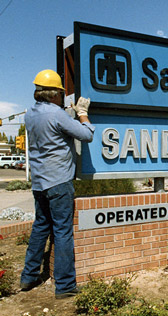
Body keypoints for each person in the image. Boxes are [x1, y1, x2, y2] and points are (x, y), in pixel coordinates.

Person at [20, 69, 95, 299]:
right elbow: (86, 134)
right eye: (61, 93)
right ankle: (65, 286)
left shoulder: (30, 114)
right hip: (59, 182)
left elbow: (54, 123)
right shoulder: (56, 114)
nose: (63, 96)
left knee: (40, 227)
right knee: (63, 232)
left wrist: (67, 113)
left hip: (40, 182)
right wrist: (82, 114)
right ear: (53, 94)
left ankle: (28, 277)